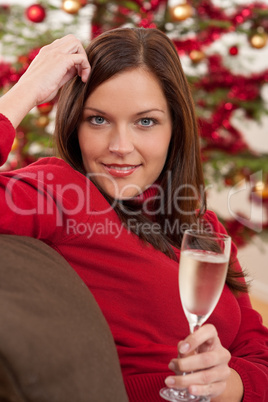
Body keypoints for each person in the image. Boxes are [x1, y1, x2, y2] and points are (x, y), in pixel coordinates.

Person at [0, 27, 267, 402]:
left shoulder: (203, 227)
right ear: (74, 124)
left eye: (145, 121)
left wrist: (227, 384)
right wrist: (24, 92)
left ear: (174, 128)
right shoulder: (61, 192)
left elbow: (257, 353)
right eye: (98, 119)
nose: (120, 147)